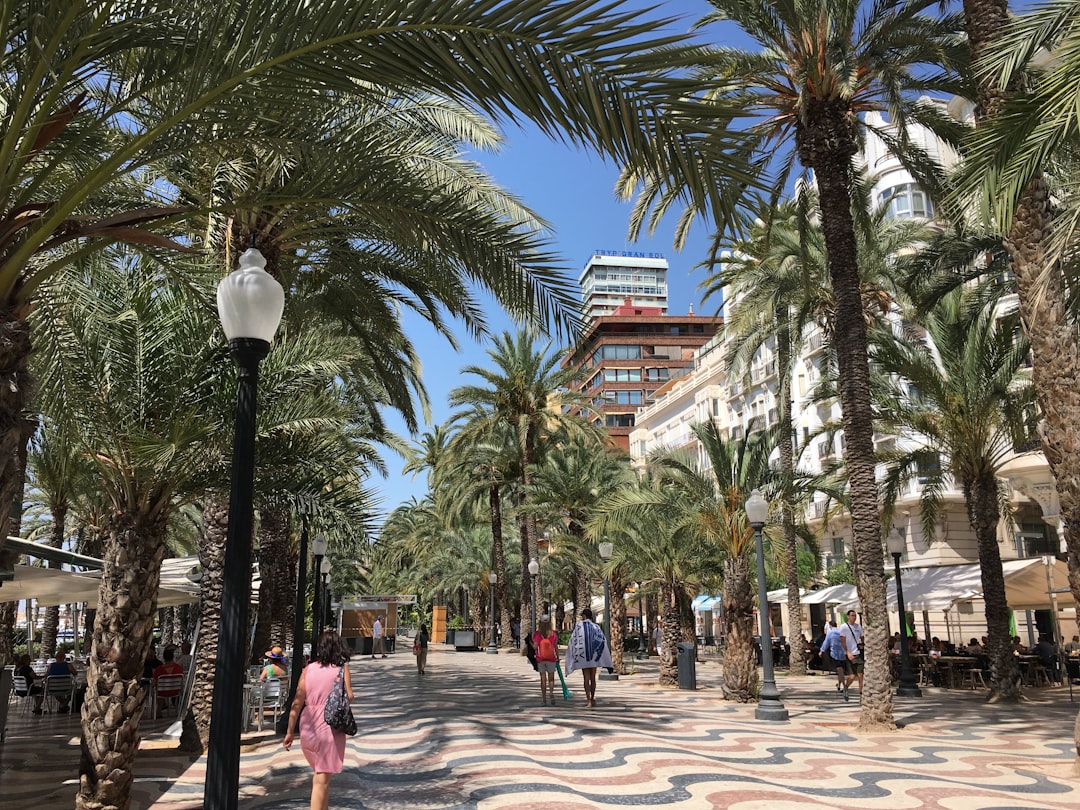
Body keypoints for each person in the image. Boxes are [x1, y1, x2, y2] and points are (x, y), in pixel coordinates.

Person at [284, 630, 354, 810]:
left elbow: (297, 702)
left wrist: (290, 731)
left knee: (322, 776)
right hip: (328, 727)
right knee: (321, 780)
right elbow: (350, 696)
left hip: (308, 725)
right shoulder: (341, 669)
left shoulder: (308, 669)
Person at [564, 608, 612, 708]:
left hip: (583, 656)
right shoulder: (596, 627)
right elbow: (602, 640)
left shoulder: (579, 627)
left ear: (584, 616)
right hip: (594, 656)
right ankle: (593, 698)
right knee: (593, 678)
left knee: (586, 678)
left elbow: (573, 641)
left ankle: (588, 699)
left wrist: (572, 655)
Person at [532, 616, 559, 706]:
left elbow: (535, 647)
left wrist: (531, 645)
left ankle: (544, 699)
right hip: (551, 659)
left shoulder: (537, 634)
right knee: (551, 679)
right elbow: (555, 647)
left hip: (540, 659)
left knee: (543, 679)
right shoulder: (553, 634)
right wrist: (557, 657)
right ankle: (551, 693)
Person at [153, 647, 184, 714]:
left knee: (158, 689)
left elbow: (154, 683)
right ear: (173, 657)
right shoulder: (178, 668)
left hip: (162, 693)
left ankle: (159, 710)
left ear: (164, 658)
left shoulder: (159, 669)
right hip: (176, 692)